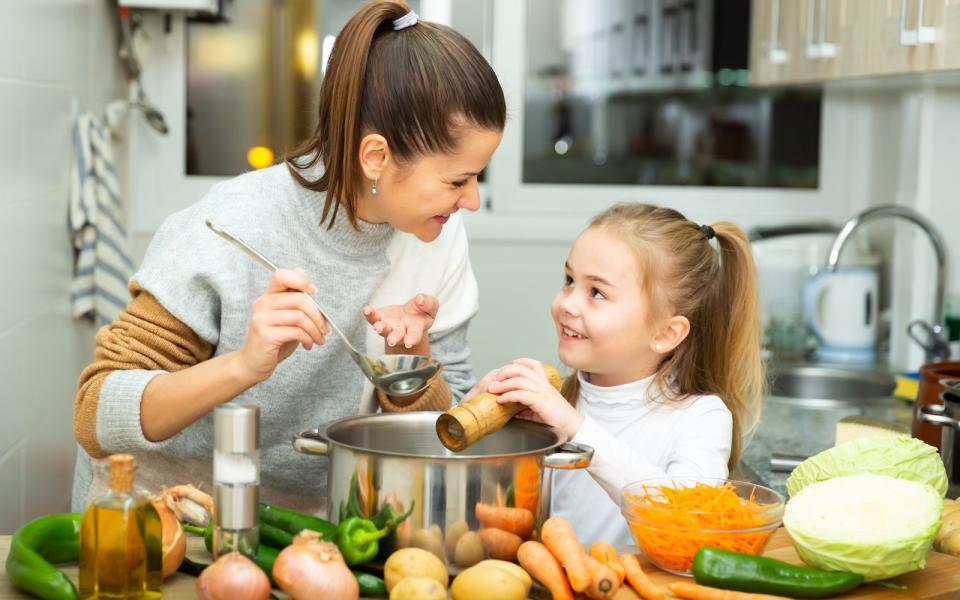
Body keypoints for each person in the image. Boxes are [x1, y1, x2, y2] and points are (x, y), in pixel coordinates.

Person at [71, 0, 505, 514]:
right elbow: (96, 413)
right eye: (458, 180)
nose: (472, 200)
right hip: (162, 514)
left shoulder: (440, 235)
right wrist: (243, 366)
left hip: (310, 526)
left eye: (477, 177)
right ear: (376, 157)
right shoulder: (233, 224)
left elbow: (452, 424)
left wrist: (411, 369)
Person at [468, 203, 764, 545]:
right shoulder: (557, 405)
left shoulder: (700, 417)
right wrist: (481, 417)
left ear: (665, 334)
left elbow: (685, 523)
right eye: (569, 280)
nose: (567, 304)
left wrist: (575, 428)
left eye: (597, 292)